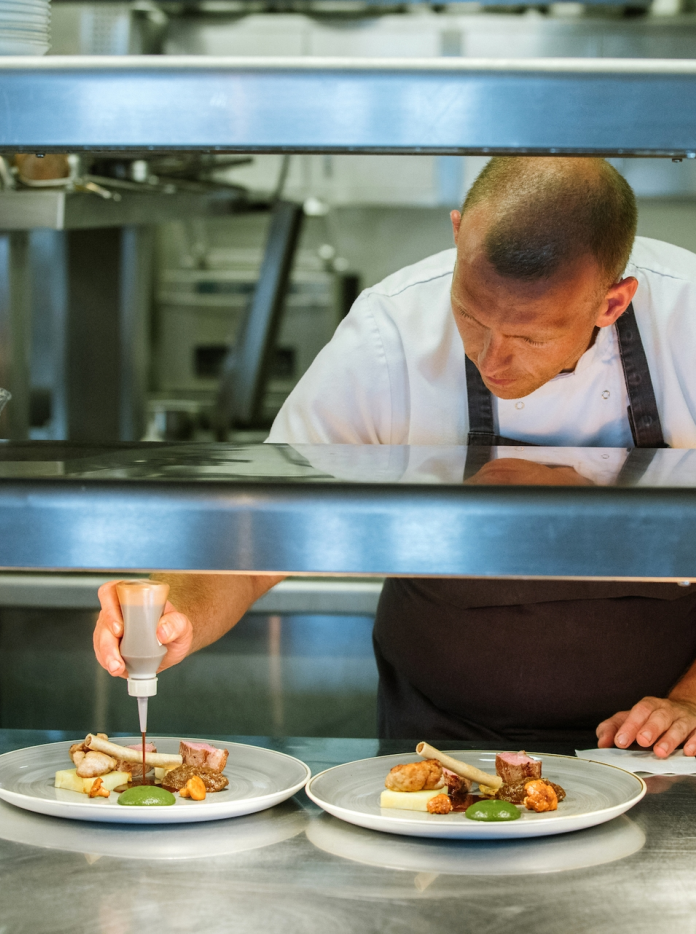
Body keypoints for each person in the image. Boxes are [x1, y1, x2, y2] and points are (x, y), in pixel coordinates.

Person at [95, 156, 696, 755]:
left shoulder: (687, 321)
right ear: (459, 234)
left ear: (612, 304)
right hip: (440, 747)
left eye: (531, 337)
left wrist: (692, 701)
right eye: (470, 315)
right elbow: (267, 526)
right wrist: (178, 614)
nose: (491, 360)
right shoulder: (390, 332)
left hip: (660, 748)